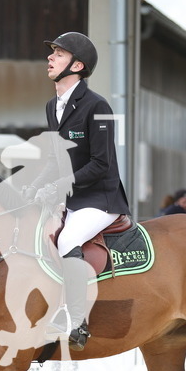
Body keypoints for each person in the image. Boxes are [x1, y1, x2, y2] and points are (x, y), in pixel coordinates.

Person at [44, 32, 131, 351]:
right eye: (52, 53)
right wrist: (35, 185)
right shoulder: (52, 106)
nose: (50, 58)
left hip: (100, 200)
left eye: (59, 54)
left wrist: (60, 184)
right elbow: (56, 159)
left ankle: (78, 322)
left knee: (67, 239)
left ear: (77, 65)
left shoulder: (98, 106)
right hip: (71, 200)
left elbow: (101, 164)